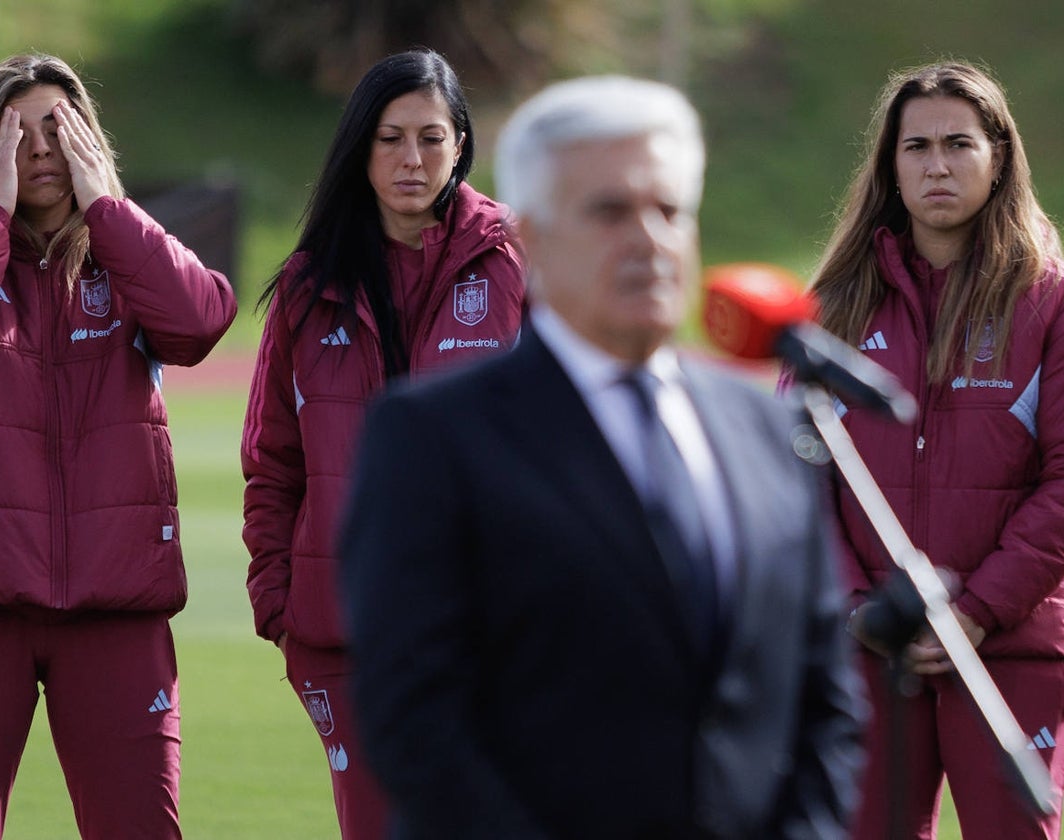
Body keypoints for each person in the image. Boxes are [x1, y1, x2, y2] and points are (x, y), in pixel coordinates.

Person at [338, 74, 864, 839]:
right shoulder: (430, 438)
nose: (649, 239)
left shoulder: (769, 427)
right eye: (611, 211)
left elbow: (823, 703)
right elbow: (416, 724)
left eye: (669, 211)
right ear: (533, 239)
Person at [0, 54, 237, 838]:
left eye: (58, 128)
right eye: (17, 133)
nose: (41, 148)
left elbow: (201, 323)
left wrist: (108, 204)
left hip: (118, 609)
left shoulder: (130, 263)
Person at [240, 48, 525, 838]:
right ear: (359, 146)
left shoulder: (517, 264)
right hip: (342, 631)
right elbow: (274, 461)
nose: (412, 159)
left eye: (432, 138)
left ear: (461, 145)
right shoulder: (307, 285)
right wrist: (280, 600)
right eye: (390, 137)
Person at [807, 60, 1064, 839]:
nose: (938, 165)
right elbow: (799, 473)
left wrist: (977, 613)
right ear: (891, 166)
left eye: (959, 143)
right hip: (869, 650)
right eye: (916, 147)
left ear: (999, 158)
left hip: (1009, 649)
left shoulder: (1046, 300)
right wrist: (858, 607)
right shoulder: (840, 302)